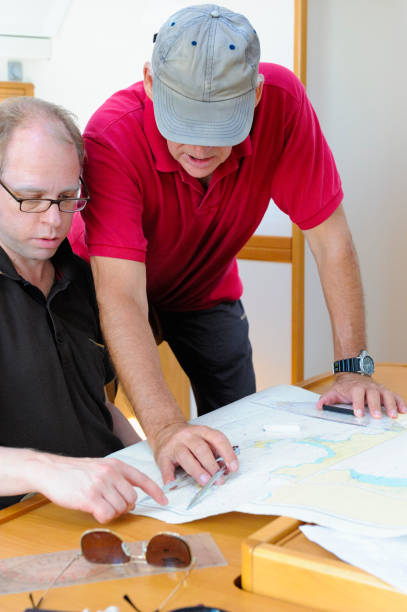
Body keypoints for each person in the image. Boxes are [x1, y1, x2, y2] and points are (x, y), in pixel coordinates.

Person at [69, 4, 405, 488]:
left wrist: (352, 368)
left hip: (205, 288)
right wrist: (165, 427)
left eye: (220, 128)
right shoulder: (112, 138)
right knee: (87, 429)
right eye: (184, 124)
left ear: (255, 96)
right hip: (103, 288)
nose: (200, 149)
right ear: (149, 81)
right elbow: (121, 295)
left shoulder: (283, 103)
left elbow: (331, 241)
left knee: (240, 433)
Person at [0, 96, 167, 522]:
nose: (54, 220)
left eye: (67, 197)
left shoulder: (84, 280)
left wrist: (156, 463)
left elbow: (98, 407)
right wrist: (45, 471)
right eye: (31, 198)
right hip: (22, 525)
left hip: (110, 510)